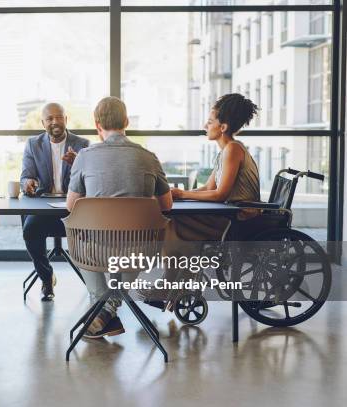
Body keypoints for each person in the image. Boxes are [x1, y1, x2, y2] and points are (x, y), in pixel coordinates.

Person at [66, 96, 173, 338]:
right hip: (141, 249)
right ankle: (107, 311)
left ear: (97, 125)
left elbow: (71, 205)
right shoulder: (149, 157)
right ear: (126, 121)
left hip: (94, 249)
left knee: (75, 231)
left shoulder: (84, 156)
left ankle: (103, 307)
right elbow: (166, 205)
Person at [20, 102, 90, 301]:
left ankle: (93, 279)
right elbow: (25, 176)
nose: (55, 122)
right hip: (44, 206)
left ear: (66, 120)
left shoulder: (82, 144)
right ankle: (46, 277)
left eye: (59, 117)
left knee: (92, 229)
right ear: (43, 123)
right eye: (50, 118)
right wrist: (28, 183)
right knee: (29, 229)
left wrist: (78, 162)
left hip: (74, 207)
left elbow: (92, 179)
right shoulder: (33, 144)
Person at [170, 93, 260, 241]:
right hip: (229, 213)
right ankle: (179, 261)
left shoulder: (233, 149)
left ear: (223, 127)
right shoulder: (225, 151)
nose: (205, 126)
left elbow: (220, 195)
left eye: (210, 122)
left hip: (238, 219)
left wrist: (182, 194)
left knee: (175, 220)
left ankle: (178, 261)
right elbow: (208, 188)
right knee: (175, 216)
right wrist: (181, 194)